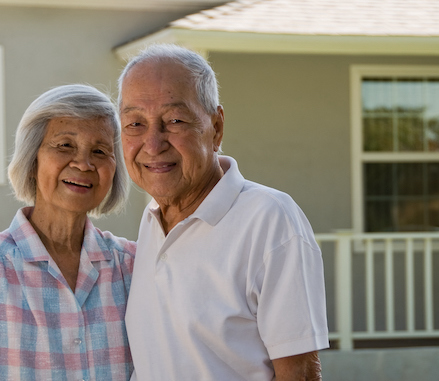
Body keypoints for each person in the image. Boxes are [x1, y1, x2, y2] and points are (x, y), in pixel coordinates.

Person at [119, 44, 329, 380]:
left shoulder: (269, 219)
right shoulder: (151, 225)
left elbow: (300, 374)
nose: (153, 143)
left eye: (174, 120)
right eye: (134, 123)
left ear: (216, 127)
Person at [0, 84, 135, 380]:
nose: (83, 163)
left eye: (100, 150)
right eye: (64, 145)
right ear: (32, 161)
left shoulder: (134, 266)